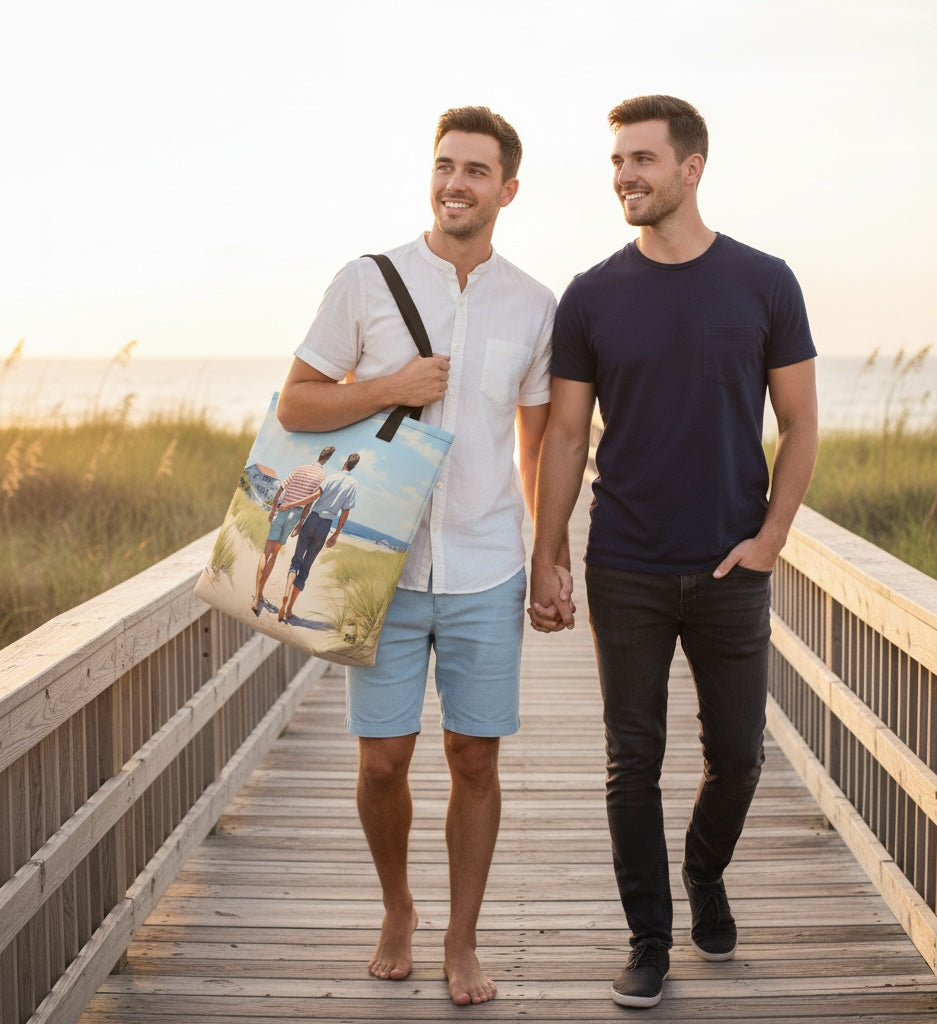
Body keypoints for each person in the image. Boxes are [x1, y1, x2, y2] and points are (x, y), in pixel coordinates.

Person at [529, 94, 818, 1009]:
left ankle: (704, 872)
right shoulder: (591, 295)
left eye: (643, 159)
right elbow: (564, 436)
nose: (625, 176)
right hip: (626, 564)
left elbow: (800, 422)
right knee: (632, 760)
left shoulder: (764, 281)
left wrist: (771, 538)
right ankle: (648, 941)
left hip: (733, 566)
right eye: (618, 161)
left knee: (739, 755)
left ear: (692, 168)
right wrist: (548, 552)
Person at [276, 106, 556, 1005]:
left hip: (487, 564)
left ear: (508, 189)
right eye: (444, 165)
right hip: (379, 564)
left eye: (475, 170)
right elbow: (295, 405)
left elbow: (538, 445)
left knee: (475, 758)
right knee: (382, 762)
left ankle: (462, 939)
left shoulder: (534, 304)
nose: (454, 184)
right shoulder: (367, 281)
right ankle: (398, 906)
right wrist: (390, 387)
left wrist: (550, 554)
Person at [276, 453, 360, 622]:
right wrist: (336, 534)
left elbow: (313, 498)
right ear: (354, 467)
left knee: (296, 561)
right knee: (306, 568)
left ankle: (285, 593)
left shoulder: (331, 477)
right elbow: (345, 512)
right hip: (325, 525)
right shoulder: (353, 485)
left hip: (312, 519)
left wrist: (298, 516)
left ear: (344, 463)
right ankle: (290, 607)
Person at [251, 445, 335, 614]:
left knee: (266, 553)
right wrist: (300, 522)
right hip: (295, 514)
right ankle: (260, 595)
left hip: (282, 509)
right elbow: (308, 503)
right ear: (328, 459)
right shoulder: (322, 477)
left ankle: (257, 596)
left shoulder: (300, 468)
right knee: (274, 555)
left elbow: (281, 489)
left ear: (319, 455)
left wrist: (273, 510)